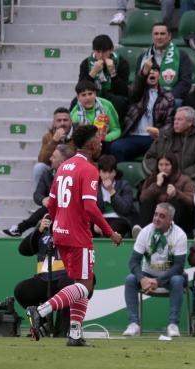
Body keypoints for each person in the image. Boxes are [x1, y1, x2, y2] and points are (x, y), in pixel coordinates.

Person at [25, 125, 123, 347]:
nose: (100, 142)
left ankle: (75, 334)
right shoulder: (88, 169)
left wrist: (55, 227)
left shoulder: (63, 167)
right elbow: (89, 207)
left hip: (60, 233)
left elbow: (52, 204)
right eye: (98, 139)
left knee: (78, 283)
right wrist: (110, 232)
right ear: (90, 144)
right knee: (85, 286)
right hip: (78, 235)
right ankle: (41, 311)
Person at [122, 203, 188, 337]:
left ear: (170, 220)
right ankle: (134, 324)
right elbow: (133, 261)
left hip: (169, 277)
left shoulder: (180, 235)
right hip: (147, 275)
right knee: (130, 280)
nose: (157, 218)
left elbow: (179, 267)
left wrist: (158, 281)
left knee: (177, 280)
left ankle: (173, 324)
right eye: (156, 214)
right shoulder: (145, 232)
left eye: (162, 216)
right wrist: (142, 279)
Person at [14, 214, 74, 338]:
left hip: (66, 276)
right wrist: (39, 230)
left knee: (68, 287)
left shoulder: (72, 222)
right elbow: (23, 250)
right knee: (22, 290)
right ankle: (41, 325)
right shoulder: (45, 226)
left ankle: (61, 331)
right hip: (44, 278)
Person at [2, 144, 75, 237]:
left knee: (51, 206)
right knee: (49, 206)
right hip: (53, 210)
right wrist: (43, 200)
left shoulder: (74, 176)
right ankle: (22, 230)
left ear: (62, 162)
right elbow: (37, 194)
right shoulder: (48, 174)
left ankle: (20, 228)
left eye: (54, 157)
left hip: (70, 211)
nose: (50, 159)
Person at [111, 59, 175, 163]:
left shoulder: (167, 97)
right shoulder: (136, 92)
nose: (152, 72)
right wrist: (143, 73)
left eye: (155, 70)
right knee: (116, 147)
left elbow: (169, 122)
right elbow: (134, 90)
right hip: (133, 136)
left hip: (153, 138)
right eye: (149, 71)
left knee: (167, 150)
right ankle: (122, 177)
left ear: (159, 75)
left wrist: (159, 132)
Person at [142, 106, 195, 187]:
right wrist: (159, 171)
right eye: (175, 119)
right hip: (161, 178)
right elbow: (149, 157)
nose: (176, 122)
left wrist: (178, 176)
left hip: (184, 182)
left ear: (190, 122)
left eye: (180, 119)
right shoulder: (164, 136)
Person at [139, 154, 195, 235]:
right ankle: (144, 232)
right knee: (148, 202)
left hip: (179, 218)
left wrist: (177, 193)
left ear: (173, 166)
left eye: (167, 165)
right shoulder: (152, 179)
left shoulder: (184, 179)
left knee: (175, 203)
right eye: (161, 165)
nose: (163, 168)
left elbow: (191, 202)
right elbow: (142, 198)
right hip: (157, 215)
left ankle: (171, 233)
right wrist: (157, 185)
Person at [138, 23, 193, 104]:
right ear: (152, 36)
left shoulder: (181, 56)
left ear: (169, 36)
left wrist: (170, 96)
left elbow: (185, 82)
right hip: (149, 96)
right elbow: (137, 82)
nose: (159, 37)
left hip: (172, 97)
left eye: (162, 34)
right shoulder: (144, 57)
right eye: (156, 34)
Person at [78, 34, 129, 121]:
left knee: (121, 102)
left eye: (104, 51)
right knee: (74, 103)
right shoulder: (86, 63)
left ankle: (116, 129)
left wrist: (113, 73)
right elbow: (80, 89)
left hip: (112, 95)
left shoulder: (121, 62)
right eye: (98, 52)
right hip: (92, 95)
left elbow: (124, 91)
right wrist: (92, 73)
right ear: (94, 50)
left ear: (111, 50)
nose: (101, 55)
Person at [95, 155, 135, 238]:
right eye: (104, 172)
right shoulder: (95, 187)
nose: (107, 175)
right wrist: (96, 222)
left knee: (111, 229)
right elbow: (91, 208)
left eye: (110, 172)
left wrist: (111, 191)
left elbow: (125, 209)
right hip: (101, 220)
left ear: (115, 173)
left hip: (119, 219)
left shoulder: (124, 186)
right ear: (99, 172)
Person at [70, 80, 122, 144]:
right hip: (84, 144)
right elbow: (73, 136)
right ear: (78, 97)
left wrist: (104, 138)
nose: (87, 98)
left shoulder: (107, 105)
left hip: (104, 142)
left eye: (90, 94)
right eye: (83, 95)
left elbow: (116, 130)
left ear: (95, 94)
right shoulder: (74, 113)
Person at [34, 107, 74, 186]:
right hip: (54, 169)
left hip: (72, 169)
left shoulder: (77, 135)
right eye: (59, 120)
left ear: (71, 122)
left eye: (65, 120)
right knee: (39, 167)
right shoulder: (48, 136)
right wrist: (54, 141)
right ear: (54, 123)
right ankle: (41, 197)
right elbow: (42, 160)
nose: (62, 123)